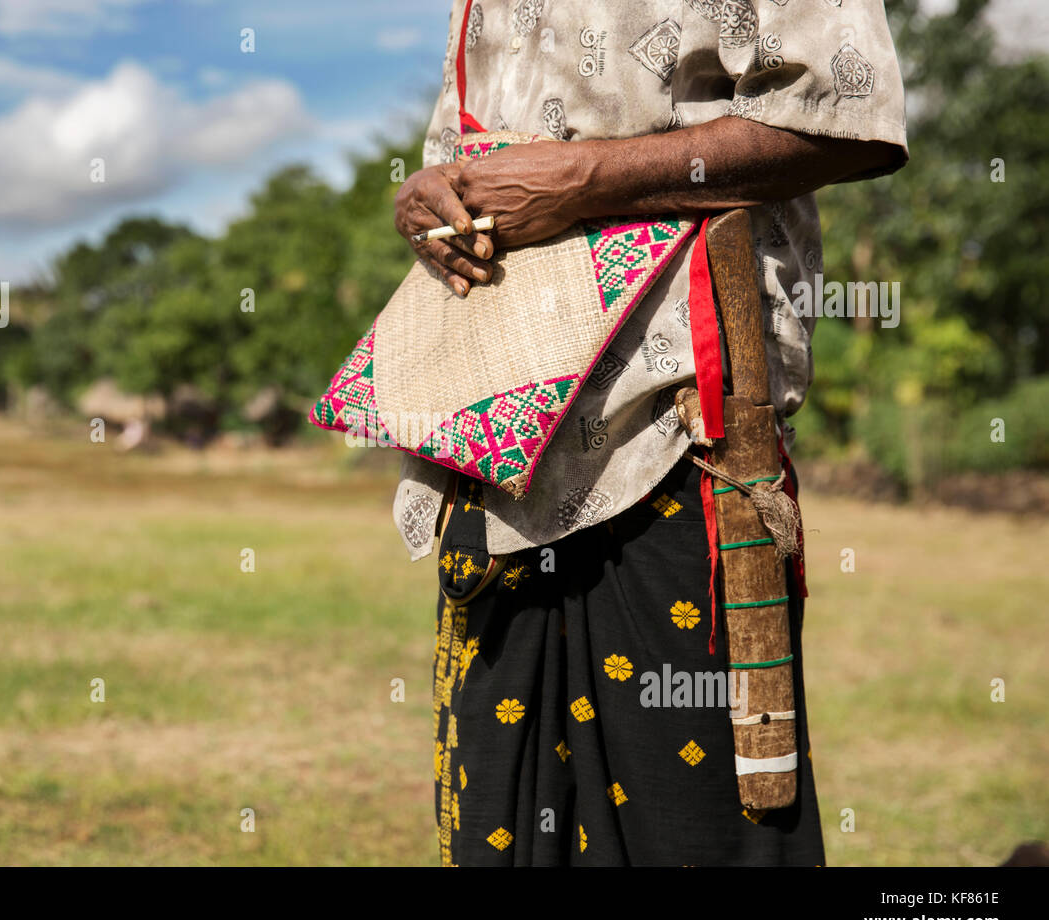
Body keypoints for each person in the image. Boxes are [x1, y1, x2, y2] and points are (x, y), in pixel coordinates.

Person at [389, 0, 908, 865]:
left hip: (678, 427)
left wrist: (586, 179)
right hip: (495, 431)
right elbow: (469, 154)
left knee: (691, 822)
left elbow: (850, 119)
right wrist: (425, 197)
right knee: (501, 820)